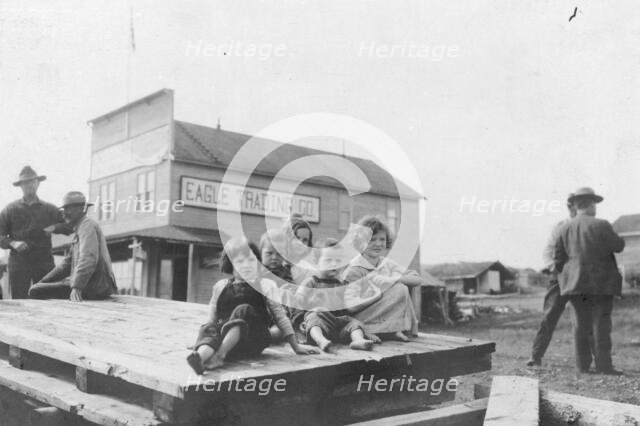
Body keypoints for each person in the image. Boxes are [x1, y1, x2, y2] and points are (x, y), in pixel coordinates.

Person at [186, 237, 318, 375]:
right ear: (230, 264)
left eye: (251, 259)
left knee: (243, 310)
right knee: (209, 327)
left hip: (253, 340)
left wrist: (296, 347)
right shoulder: (220, 286)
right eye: (240, 261)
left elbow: (281, 318)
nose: (247, 265)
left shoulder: (265, 285)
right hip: (229, 342)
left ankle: (219, 356)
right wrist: (202, 340)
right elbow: (212, 320)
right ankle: (200, 358)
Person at [554, 187, 625, 375]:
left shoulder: (564, 228)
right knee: (600, 326)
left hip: (574, 286)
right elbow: (618, 246)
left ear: (576, 206)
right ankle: (604, 367)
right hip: (601, 285)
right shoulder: (602, 224)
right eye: (595, 204)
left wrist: (568, 276)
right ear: (591, 204)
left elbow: (558, 259)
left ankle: (582, 367)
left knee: (579, 326)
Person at [28, 192, 117, 301]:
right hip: (93, 285)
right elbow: (66, 264)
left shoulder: (86, 225)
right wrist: (43, 281)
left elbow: (89, 258)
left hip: (94, 287)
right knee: (38, 287)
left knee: (35, 291)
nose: (64, 214)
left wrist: (77, 287)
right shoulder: (81, 228)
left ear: (81, 209)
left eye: (67, 209)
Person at [342, 216, 419, 342]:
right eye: (372, 240)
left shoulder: (386, 263)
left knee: (400, 287)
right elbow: (349, 307)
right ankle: (368, 330)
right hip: (361, 317)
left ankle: (392, 330)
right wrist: (376, 296)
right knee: (398, 289)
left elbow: (417, 280)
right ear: (360, 242)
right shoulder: (355, 269)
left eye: (382, 239)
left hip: (380, 314)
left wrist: (392, 280)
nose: (378, 244)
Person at [0, 166, 72, 299]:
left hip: (43, 262)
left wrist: (54, 227)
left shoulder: (49, 209)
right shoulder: (10, 209)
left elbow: (70, 226)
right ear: (20, 186)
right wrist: (13, 243)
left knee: (47, 300)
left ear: (38, 183)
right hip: (19, 263)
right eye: (25, 183)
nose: (29, 185)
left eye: (32, 181)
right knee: (20, 301)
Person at [296, 238, 376, 353]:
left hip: (338, 324)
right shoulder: (311, 283)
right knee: (314, 317)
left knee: (354, 322)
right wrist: (300, 324)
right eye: (329, 260)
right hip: (320, 323)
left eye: (338, 261)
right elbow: (297, 303)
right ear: (316, 262)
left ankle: (358, 340)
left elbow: (349, 307)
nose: (334, 264)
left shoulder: (342, 285)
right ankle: (321, 341)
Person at [526, 194, 577, 367]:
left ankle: (594, 362)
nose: (576, 209)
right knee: (549, 316)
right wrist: (554, 268)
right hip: (560, 278)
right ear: (569, 207)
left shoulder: (588, 226)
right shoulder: (560, 226)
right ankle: (536, 355)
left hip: (581, 278)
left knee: (586, 318)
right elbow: (548, 252)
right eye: (573, 206)